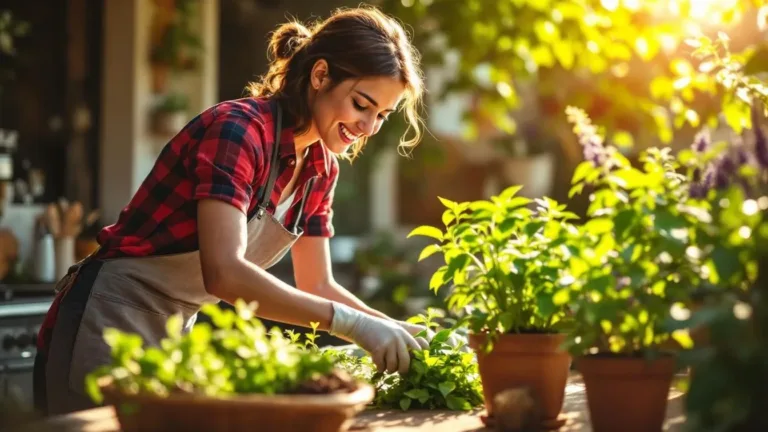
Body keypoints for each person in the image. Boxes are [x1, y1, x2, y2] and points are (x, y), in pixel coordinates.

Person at [33, 6, 457, 416]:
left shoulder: (320, 169)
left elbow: (319, 285)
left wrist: (403, 332)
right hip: (106, 318)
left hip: (173, 330)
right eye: (361, 105)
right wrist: (352, 326)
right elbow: (225, 272)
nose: (369, 128)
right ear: (321, 74)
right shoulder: (238, 132)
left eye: (383, 114)